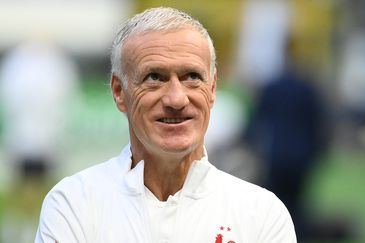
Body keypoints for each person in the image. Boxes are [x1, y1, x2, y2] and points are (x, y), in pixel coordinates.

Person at [35, 7, 296, 243]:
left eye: (192, 77)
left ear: (213, 87)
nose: (176, 99)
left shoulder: (261, 214)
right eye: (155, 78)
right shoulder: (74, 204)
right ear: (119, 91)